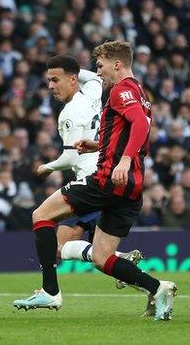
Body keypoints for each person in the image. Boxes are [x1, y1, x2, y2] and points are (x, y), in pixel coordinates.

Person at [14, 42, 177, 321]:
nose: (98, 73)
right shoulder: (140, 92)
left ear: (116, 64)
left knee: (41, 215)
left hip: (108, 179)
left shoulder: (120, 90)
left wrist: (123, 160)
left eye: (100, 66)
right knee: (102, 257)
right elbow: (128, 131)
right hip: (131, 188)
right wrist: (97, 145)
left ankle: (50, 291)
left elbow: (140, 125)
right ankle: (157, 288)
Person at [32, 56, 143, 289]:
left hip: (92, 181)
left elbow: (72, 156)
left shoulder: (69, 113)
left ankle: (51, 290)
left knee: (60, 245)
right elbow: (93, 77)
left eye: (55, 80)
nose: (52, 86)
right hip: (108, 176)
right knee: (101, 254)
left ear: (71, 80)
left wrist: (47, 167)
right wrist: (69, 70)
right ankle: (150, 285)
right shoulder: (93, 93)